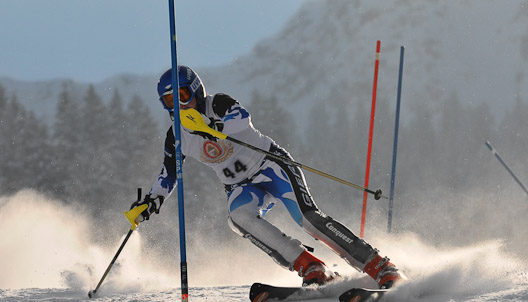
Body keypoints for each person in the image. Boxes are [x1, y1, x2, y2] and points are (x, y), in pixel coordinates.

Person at [130, 65, 406, 288]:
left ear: (196, 91)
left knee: (307, 218)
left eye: (181, 95)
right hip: (240, 185)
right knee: (238, 217)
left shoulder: (218, 104)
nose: (178, 105)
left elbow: (242, 118)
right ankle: (309, 266)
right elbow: (169, 174)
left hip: (271, 166)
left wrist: (210, 127)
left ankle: (378, 264)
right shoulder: (176, 136)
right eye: (169, 100)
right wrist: (151, 201)